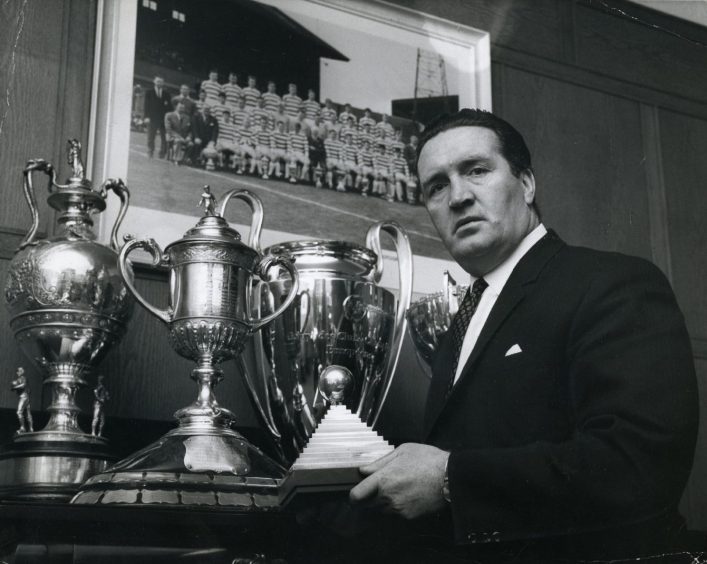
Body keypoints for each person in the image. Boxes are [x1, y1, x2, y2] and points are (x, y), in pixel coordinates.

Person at [349, 109, 698, 561]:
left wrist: (452, 478)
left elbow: (639, 465)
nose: (457, 197)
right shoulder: (460, 323)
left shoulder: (612, 282)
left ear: (527, 184)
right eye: (436, 186)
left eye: (476, 170)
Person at [143, 76, 172, 158]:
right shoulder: (149, 92)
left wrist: (169, 119)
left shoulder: (167, 94)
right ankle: (150, 150)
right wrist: (146, 117)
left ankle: (162, 153)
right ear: (154, 82)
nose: (159, 83)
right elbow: (146, 105)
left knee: (164, 137)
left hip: (163, 119)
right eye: (158, 81)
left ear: (163, 83)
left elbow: (169, 107)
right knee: (151, 136)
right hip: (152, 118)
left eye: (161, 82)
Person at [11, 367, 33, 434]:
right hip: (25, 396)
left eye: (20, 371)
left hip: (24, 397)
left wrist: (14, 387)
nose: (18, 372)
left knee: (19, 412)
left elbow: (23, 385)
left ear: (22, 372)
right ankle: (31, 429)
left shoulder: (22, 378)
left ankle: (23, 428)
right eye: (17, 371)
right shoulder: (19, 379)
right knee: (28, 413)